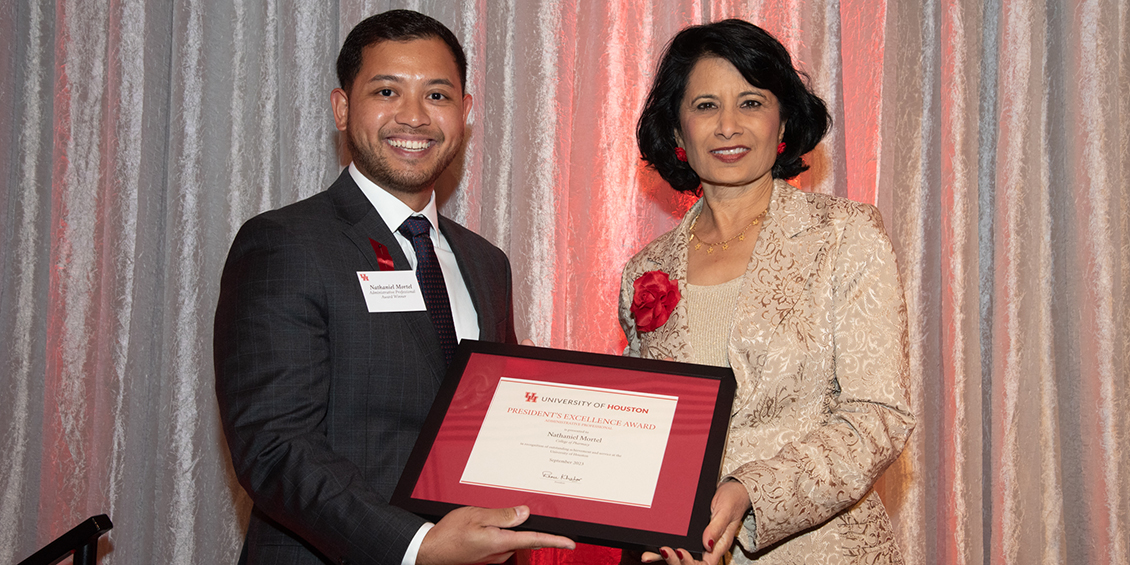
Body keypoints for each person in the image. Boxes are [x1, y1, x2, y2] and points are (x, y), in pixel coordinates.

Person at [214, 10, 574, 565]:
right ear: (342, 108)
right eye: (387, 90)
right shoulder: (284, 244)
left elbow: (503, 423)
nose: (414, 117)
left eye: (437, 95)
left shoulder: (486, 263)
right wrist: (417, 547)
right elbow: (275, 445)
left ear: (465, 112)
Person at [619, 19, 915, 565]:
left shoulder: (844, 235)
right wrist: (658, 526)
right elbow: (647, 424)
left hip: (823, 550)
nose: (728, 125)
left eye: (750, 102)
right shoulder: (647, 268)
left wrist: (751, 491)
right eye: (705, 106)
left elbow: (878, 416)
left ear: (782, 122)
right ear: (677, 133)